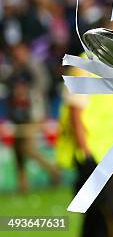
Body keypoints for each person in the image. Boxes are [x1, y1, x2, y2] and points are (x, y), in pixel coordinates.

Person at [56, 20, 113, 237]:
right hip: (95, 154)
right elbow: (75, 115)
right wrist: (85, 154)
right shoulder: (86, 66)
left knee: (97, 216)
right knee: (110, 213)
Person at [4, 42, 60, 192]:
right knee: (17, 150)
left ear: (25, 51)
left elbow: (45, 84)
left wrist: (26, 91)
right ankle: (22, 185)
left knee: (27, 147)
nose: (16, 55)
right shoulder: (14, 68)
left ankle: (53, 170)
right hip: (17, 114)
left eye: (19, 51)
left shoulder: (34, 65)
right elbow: (8, 84)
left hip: (33, 113)